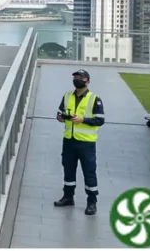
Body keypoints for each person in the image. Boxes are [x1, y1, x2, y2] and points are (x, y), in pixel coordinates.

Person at [54, 69, 105, 215]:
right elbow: (60, 112)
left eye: (81, 77)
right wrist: (61, 117)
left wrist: (83, 120)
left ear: (87, 82)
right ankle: (68, 197)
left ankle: (92, 202)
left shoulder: (95, 99)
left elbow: (100, 120)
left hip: (86, 143)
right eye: (75, 77)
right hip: (69, 140)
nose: (77, 79)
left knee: (89, 172)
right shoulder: (67, 95)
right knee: (68, 169)